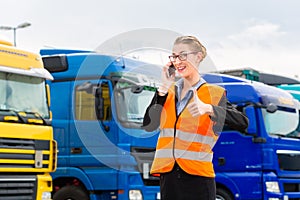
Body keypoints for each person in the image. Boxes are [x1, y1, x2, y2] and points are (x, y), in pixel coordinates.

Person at [143, 35, 249, 200]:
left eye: (183, 55)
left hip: (198, 178)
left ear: (198, 57)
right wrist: (163, 89)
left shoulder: (213, 94)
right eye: (174, 56)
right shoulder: (167, 93)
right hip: (169, 176)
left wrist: (209, 108)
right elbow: (148, 125)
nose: (178, 61)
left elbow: (242, 122)